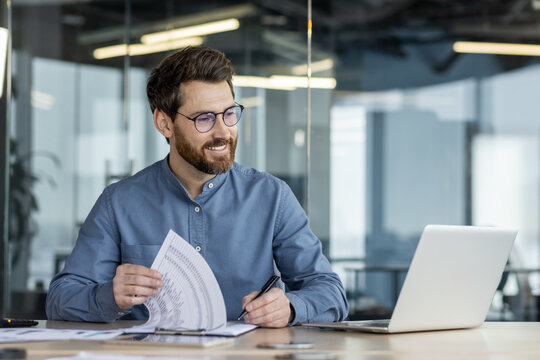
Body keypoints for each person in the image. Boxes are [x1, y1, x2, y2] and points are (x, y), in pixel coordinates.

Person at [46, 46, 348, 328]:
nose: (223, 132)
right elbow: (60, 299)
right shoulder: (119, 202)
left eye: (230, 114)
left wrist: (291, 307)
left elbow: (330, 292)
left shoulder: (272, 197)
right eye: (204, 118)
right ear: (164, 124)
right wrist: (109, 296)